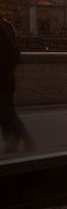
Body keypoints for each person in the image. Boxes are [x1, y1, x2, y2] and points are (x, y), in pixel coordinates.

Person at [0, 14, 32, 153]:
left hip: (2, 79)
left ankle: (23, 140)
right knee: (5, 112)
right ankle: (16, 142)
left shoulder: (3, 28)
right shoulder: (6, 26)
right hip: (6, 77)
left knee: (5, 112)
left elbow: (12, 54)